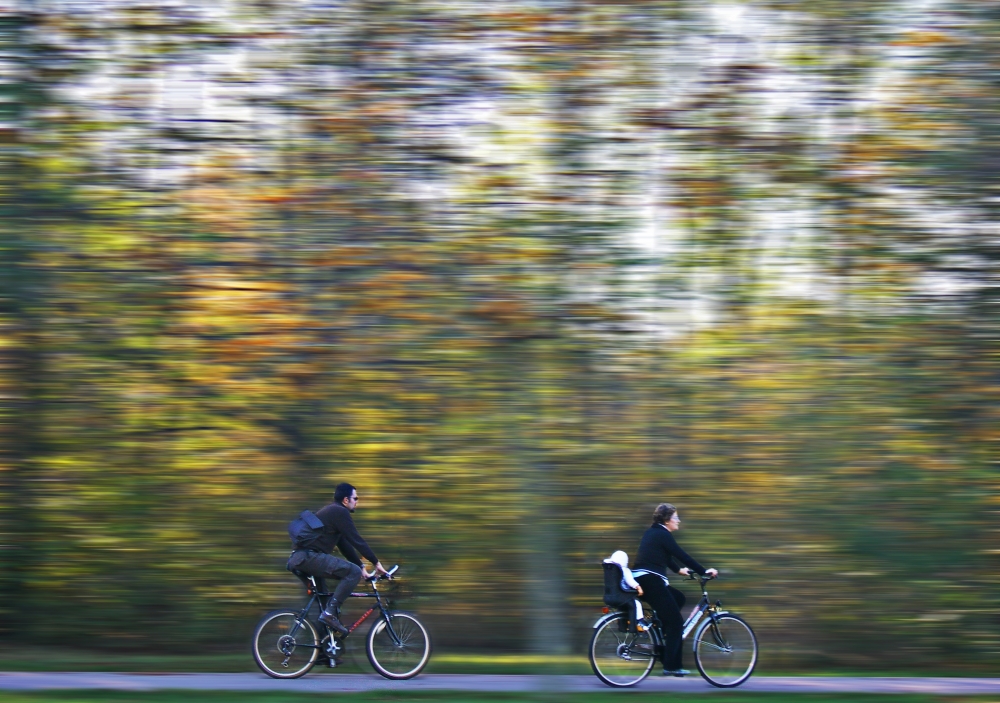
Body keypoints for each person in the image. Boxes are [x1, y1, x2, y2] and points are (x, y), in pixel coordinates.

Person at [286, 482, 390, 635]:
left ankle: (324, 655)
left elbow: (345, 545)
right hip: (309, 557)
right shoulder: (339, 512)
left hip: (302, 559)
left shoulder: (332, 513)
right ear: (346, 500)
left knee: (326, 604)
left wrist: (362, 568)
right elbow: (356, 539)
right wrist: (376, 563)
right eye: (356, 498)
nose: (357, 501)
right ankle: (329, 615)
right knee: (351, 574)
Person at [633, 503, 718, 677]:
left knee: (678, 598)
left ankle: (664, 636)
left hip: (644, 580)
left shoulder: (653, 532)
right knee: (676, 623)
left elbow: (665, 556)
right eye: (676, 517)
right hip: (651, 581)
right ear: (666, 519)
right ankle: (671, 665)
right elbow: (680, 554)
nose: (678, 521)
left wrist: (679, 570)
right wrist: (704, 571)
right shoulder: (663, 534)